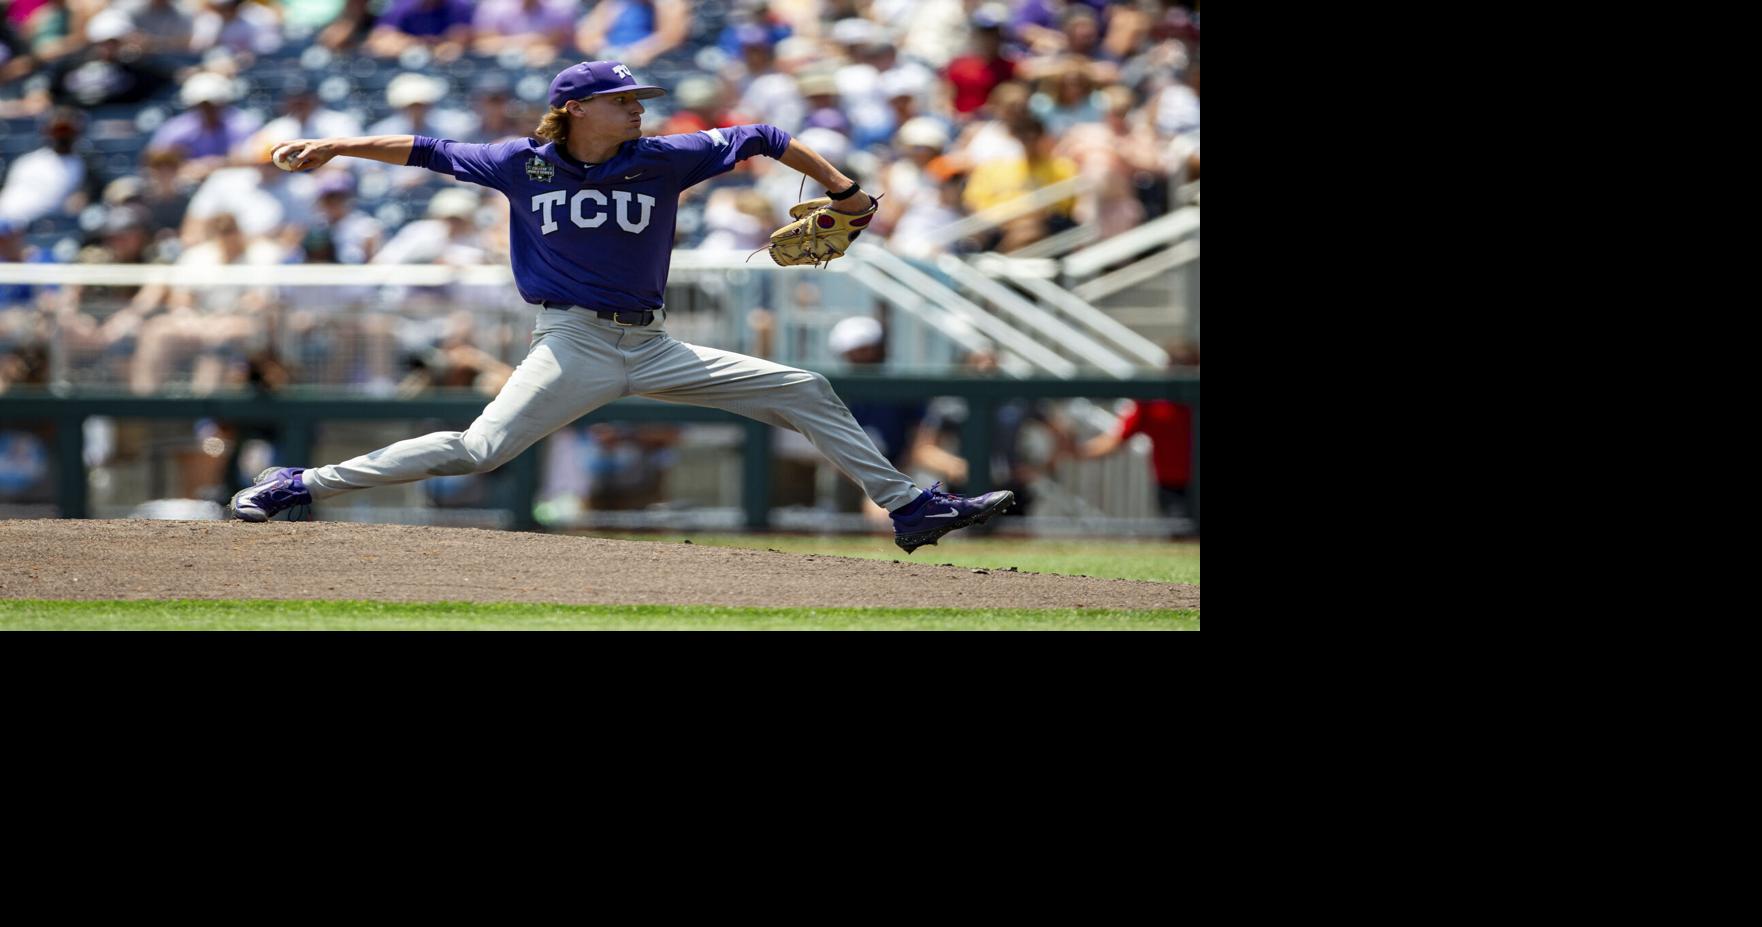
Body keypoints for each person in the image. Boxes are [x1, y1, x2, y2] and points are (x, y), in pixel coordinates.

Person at [231, 59, 1013, 553]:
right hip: (572, 344)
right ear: (575, 109)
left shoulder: (663, 158)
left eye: (638, 96)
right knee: (480, 451)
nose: (638, 107)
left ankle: (908, 508)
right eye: (621, 99)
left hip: (654, 342)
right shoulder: (520, 163)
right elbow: (427, 150)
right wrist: (338, 147)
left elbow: (768, 135)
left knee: (804, 387)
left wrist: (842, 190)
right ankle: (299, 483)